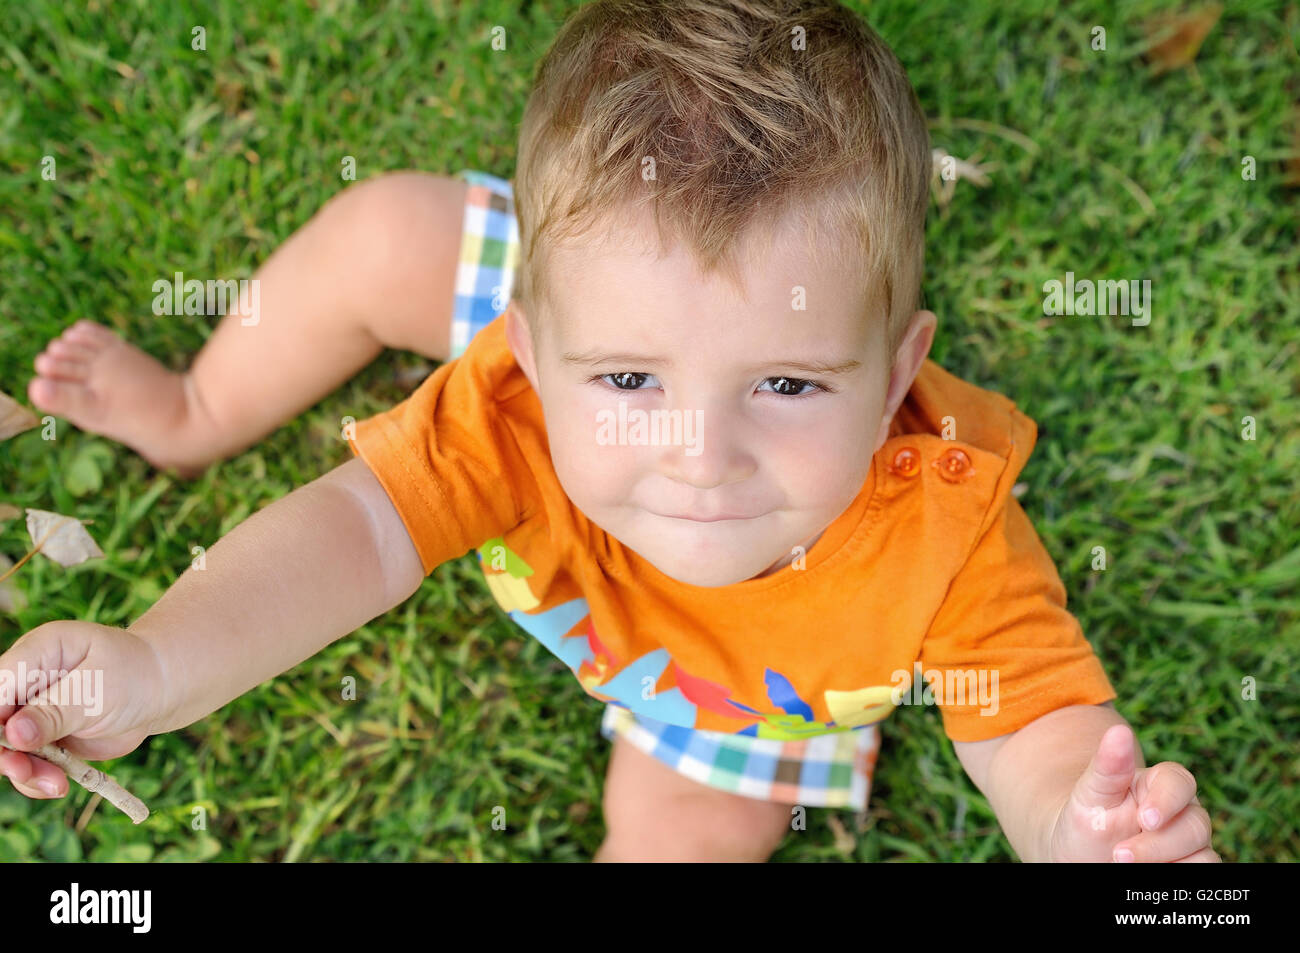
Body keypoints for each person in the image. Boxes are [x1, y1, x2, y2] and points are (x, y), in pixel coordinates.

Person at [6, 0, 1217, 862]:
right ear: (524, 352)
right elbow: (352, 534)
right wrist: (158, 663)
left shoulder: (943, 520)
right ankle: (194, 408)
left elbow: (1029, 718)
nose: (699, 452)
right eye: (637, 380)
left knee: (686, 839)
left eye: (788, 385)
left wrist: (1075, 826)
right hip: (586, 299)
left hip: (734, 704)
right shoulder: (516, 409)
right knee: (385, 238)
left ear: (900, 370)